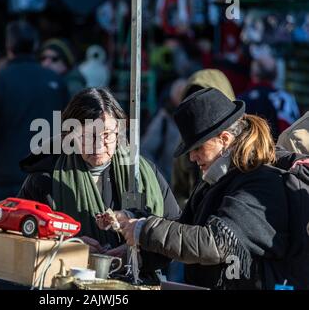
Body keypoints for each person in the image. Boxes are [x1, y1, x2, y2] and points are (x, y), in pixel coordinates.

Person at [119, 88, 293, 289]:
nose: (192, 158)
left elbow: (216, 242)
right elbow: (186, 230)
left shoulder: (259, 182)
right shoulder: (217, 180)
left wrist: (144, 230)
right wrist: (136, 255)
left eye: (198, 148)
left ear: (225, 140)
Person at [18, 88, 180, 268]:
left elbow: (175, 233)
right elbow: (19, 238)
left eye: (107, 135)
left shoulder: (142, 173)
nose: (98, 146)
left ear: (119, 130)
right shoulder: (45, 180)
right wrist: (67, 247)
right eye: (88, 136)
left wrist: (139, 254)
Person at [0, 21, 70, 202]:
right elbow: (70, 129)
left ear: (8, 47)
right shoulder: (56, 82)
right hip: (47, 176)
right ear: (36, 46)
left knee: (0, 228)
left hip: (5, 175)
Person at [171, 69, 236, 209]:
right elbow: (178, 190)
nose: (192, 156)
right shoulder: (185, 146)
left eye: (199, 147)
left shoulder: (247, 152)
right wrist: (190, 208)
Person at [238, 54, 300, 140]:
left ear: (253, 73)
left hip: (259, 150)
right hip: (289, 149)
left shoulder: (245, 99)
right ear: (276, 74)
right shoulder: (287, 98)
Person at [141, 78, 187, 182]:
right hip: (168, 184)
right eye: (181, 94)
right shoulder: (163, 119)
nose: (184, 97)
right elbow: (145, 151)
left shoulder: (193, 119)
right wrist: (160, 180)